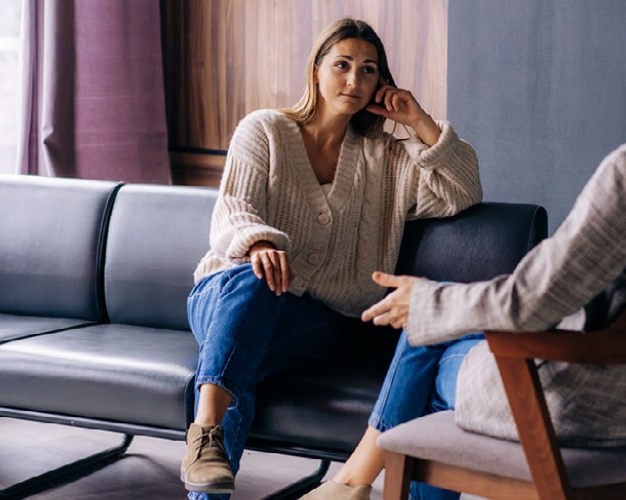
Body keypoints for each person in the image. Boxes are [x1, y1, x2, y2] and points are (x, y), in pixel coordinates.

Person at [300, 0, 626, 499]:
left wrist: (426, 303)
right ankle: (350, 484)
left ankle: (349, 484)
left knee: (426, 338)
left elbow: (530, 301)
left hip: (575, 406)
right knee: (439, 316)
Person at [181, 17, 482, 500]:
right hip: (225, 294)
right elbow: (233, 210)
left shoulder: (386, 157)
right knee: (252, 289)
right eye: (341, 65)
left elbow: (462, 192)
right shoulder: (265, 130)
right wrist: (260, 244)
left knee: (241, 355)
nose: (354, 80)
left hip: (316, 320)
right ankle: (207, 431)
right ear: (316, 71)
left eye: (368, 70)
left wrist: (420, 121)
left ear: (380, 82)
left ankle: (208, 460)